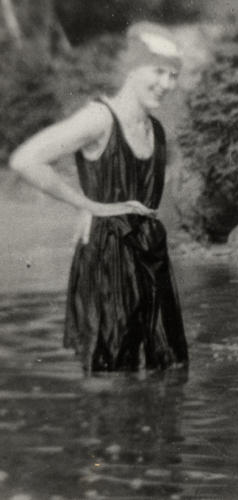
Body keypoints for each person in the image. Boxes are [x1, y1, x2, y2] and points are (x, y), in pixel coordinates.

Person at [9, 22, 189, 372]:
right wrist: (89, 205)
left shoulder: (156, 129)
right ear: (132, 67)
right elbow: (25, 160)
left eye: (172, 76)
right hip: (107, 259)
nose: (166, 85)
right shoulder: (99, 118)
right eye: (158, 72)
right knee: (112, 374)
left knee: (169, 368)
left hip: (150, 256)